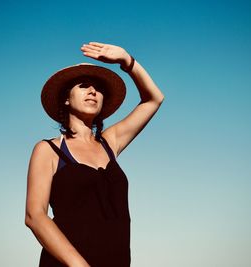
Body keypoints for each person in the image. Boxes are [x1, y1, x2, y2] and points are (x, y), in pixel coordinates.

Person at [25, 42, 164, 267]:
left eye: (98, 88)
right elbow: (35, 216)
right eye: (84, 85)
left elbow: (153, 99)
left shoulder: (110, 142)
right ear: (66, 99)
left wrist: (127, 62)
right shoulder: (49, 150)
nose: (93, 91)